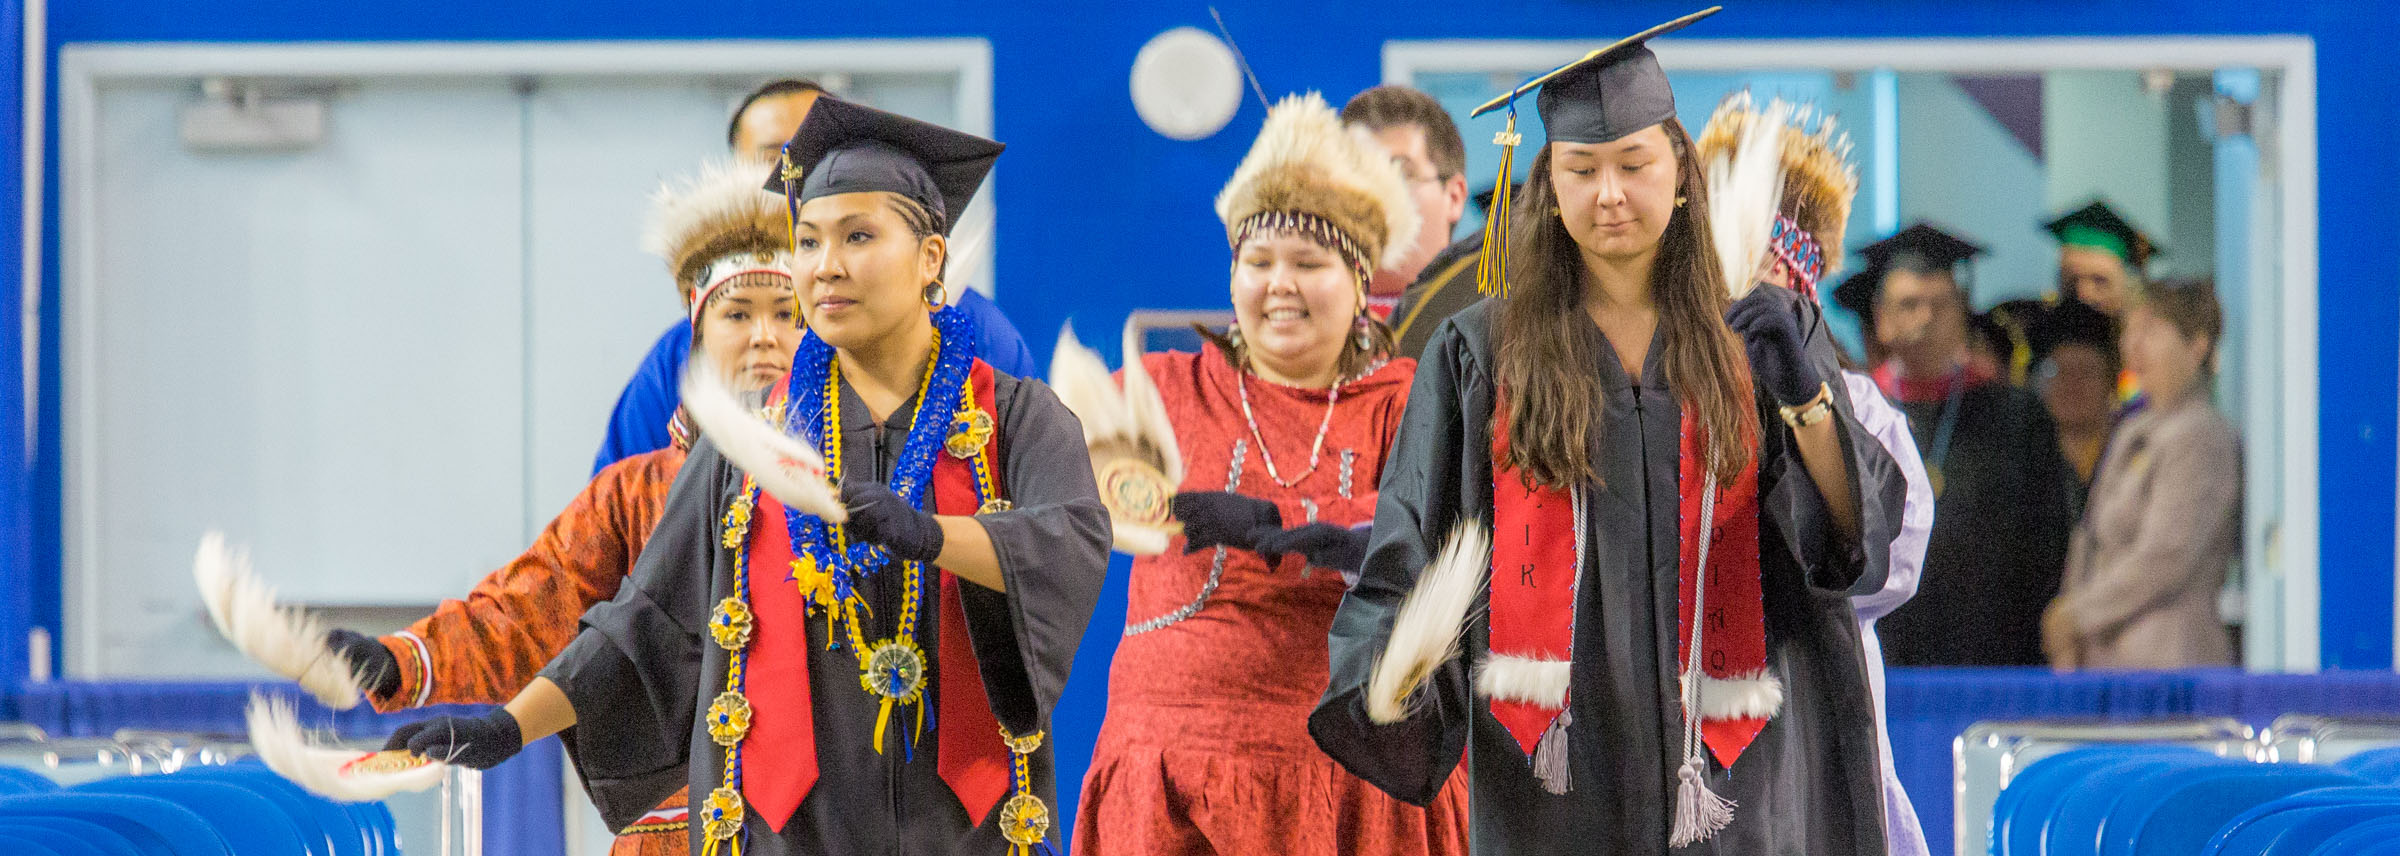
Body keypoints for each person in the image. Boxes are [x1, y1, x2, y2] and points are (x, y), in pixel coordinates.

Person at [386, 97, 1109, 856]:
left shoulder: (1018, 420)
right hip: (778, 832)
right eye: (807, 241)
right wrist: (509, 725)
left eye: (858, 236)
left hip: (963, 830)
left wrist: (931, 535)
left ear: (931, 257)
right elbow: (644, 623)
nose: (825, 266)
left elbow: (1069, 540)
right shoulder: (745, 444)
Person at [1311, 10, 1908, 854]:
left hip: (1745, 758)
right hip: (1559, 765)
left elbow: (1852, 542)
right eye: (1581, 169)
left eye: (1634, 164)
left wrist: (1806, 395)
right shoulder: (1480, 352)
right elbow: (1415, 542)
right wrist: (1386, 671)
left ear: (1680, 172)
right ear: (1548, 185)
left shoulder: (1763, 329)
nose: (1610, 193)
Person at [315, 159, 799, 855]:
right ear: (694, 332)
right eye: (738, 314)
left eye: (788, 316)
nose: (765, 337)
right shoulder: (635, 493)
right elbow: (529, 607)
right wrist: (401, 659)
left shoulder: (858, 486)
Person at [1072, 93, 1467, 856]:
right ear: (1232, 279)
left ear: (1359, 285)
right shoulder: (1158, 388)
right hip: (1163, 779)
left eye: (1308, 264)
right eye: (1257, 263)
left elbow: (1432, 536)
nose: (1278, 285)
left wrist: (1284, 523)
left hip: (1351, 776)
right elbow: (1061, 468)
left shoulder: (1408, 401)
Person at [1697, 92, 1934, 856]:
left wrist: (1809, 406)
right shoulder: (1657, 397)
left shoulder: (1859, 407)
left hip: (1811, 716)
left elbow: (1888, 563)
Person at [593, 79, 1040, 472]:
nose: (801, 180)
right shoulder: (686, 353)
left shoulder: (966, 327)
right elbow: (621, 509)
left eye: (816, 157)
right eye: (775, 163)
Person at [1835, 224, 2075, 667]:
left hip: (1995, 654)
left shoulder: (2016, 414)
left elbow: (2049, 539)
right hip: (1885, 651)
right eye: (1909, 305)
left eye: (1940, 306)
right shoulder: (1856, 417)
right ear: (1883, 319)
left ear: (1964, 314)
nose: (1925, 319)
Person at [2045, 279, 2239, 669]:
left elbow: (2165, 556)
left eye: (2150, 330)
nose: (2134, 344)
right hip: (2105, 663)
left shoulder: (2201, 433)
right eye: (2129, 330)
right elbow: (2089, 535)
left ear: (2197, 345)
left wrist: (2076, 615)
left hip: (2169, 665)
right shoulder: (2131, 430)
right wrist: (2066, 616)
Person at [1341, 86, 1469, 323]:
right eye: (1356, 174)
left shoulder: (1485, 324)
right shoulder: (1309, 326)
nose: (1374, 194)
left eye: (1400, 174)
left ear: (1454, 198)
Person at [2023, 301, 2121, 509]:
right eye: (2059, 371)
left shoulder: (2132, 457)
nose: (2072, 384)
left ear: (2110, 380)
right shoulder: (2024, 465)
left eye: (2087, 371)